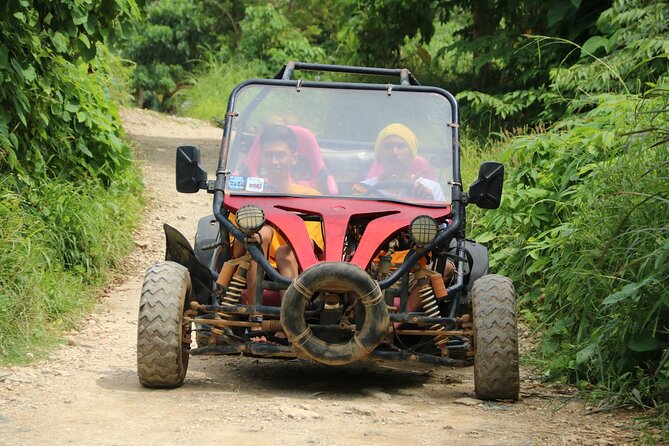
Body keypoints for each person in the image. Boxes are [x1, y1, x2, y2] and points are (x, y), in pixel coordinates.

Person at [230, 125, 324, 306]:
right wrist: (257, 234)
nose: (274, 161)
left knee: (284, 252)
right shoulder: (247, 196)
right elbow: (235, 251)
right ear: (261, 158)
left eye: (280, 155)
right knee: (261, 234)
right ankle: (255, 319)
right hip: (251, 261)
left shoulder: (311, 197)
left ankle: (288, 324)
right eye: (268, 155)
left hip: (294, 265)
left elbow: (310, 247)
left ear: (294, 158)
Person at [360, 123, 446, 201]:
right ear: (379, 155)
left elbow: (439, 218)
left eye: (401, 146)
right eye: (388, 146)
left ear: (411, 155)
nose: (394, 152)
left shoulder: (431, 188)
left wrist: (427, 201)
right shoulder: (363, 189)